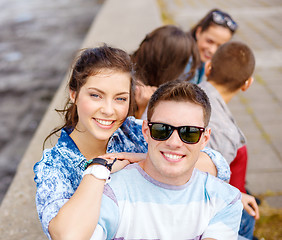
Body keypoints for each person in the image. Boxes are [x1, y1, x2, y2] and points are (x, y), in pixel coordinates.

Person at [33, 45, 230, 239]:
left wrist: (140, 159)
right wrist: (100, 169)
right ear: (74, 94)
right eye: (96, 95)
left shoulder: (133, 131)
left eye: (120, 99)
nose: (108, 110)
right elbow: (66, 236)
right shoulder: (55, 165)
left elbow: (218, 165)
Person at [90, 80, 243, 239]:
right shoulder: (111, 193)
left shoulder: (226, 200)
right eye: (162, 130)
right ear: (146, 131)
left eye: (189, 133)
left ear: (205, 139)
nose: (174, 143)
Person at [199, 41, 259, 239]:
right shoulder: (225, 132)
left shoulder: (187, 90)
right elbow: (207, 184)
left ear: (208, 68)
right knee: (248, 216)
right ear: (247, 84)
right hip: (205, 210)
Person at [131, 24, 200, 119]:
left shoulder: (131, 70)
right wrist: (141, 111)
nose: (185, 72)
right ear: (167, 64)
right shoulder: (135, 92)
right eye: (183, 64)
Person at [187, 8, 238, 84]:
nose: (212, 50)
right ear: (199, 32)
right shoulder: (184, 61)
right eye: (209, 41)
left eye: (220, 47)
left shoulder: (201, 60)